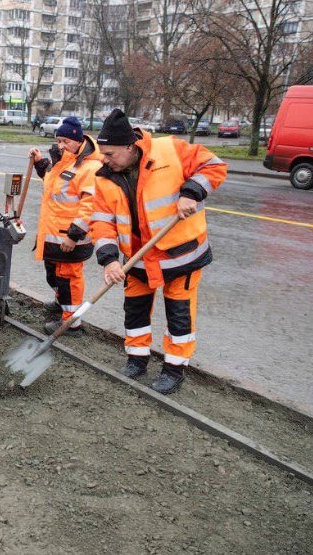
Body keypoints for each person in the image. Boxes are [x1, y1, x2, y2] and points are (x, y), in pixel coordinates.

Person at [91, 109, 227, 394]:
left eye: (110, 154)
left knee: (179, 315)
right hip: (137, 260)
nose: (104, 160)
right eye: (103, 154)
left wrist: (191, 192)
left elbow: (214, 166)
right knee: (135, 311)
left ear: (130, 146)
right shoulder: (104, 177)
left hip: (180, 256)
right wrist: (109, 260)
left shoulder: (170, 150)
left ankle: (174, 369)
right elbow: (102, 221)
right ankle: (137, 359)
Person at [28, 116, 103, 336]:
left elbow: (90, 206)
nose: (61, 145)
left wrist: (74, 235)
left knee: (68, 279)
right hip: (53, 236)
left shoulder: (90, 168)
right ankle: (62, 305)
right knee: (54, 275)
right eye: (58, 140)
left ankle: (71, 324)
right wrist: (41, 162)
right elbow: (54, 183)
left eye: (65, 141)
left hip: (69, 238)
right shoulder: (64, 162)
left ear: (78, 141)